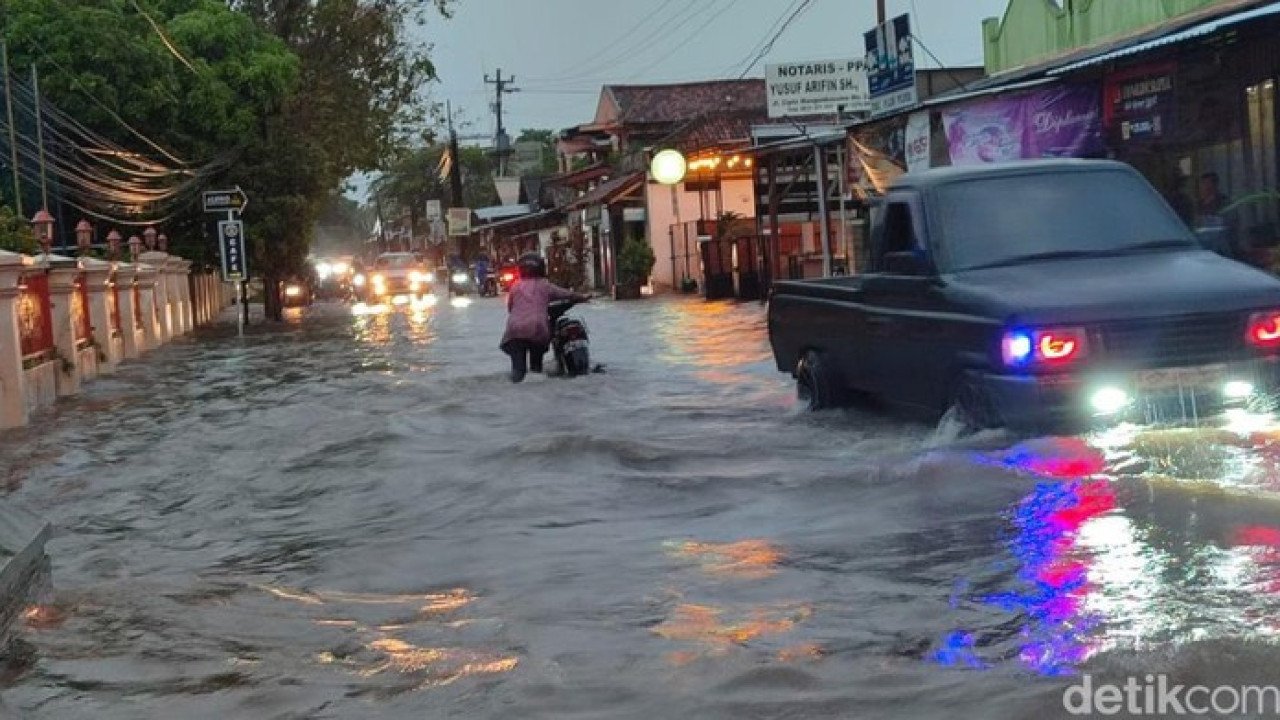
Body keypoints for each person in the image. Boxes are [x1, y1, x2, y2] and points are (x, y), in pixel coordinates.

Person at [500, 252, 589, 383]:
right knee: (536, 371)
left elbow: (510, 308)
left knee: (518, 373)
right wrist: (582, 297)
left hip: (515, 331)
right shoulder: (544, 285)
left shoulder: (515, 287)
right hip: (537, 330)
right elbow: (565, 294)